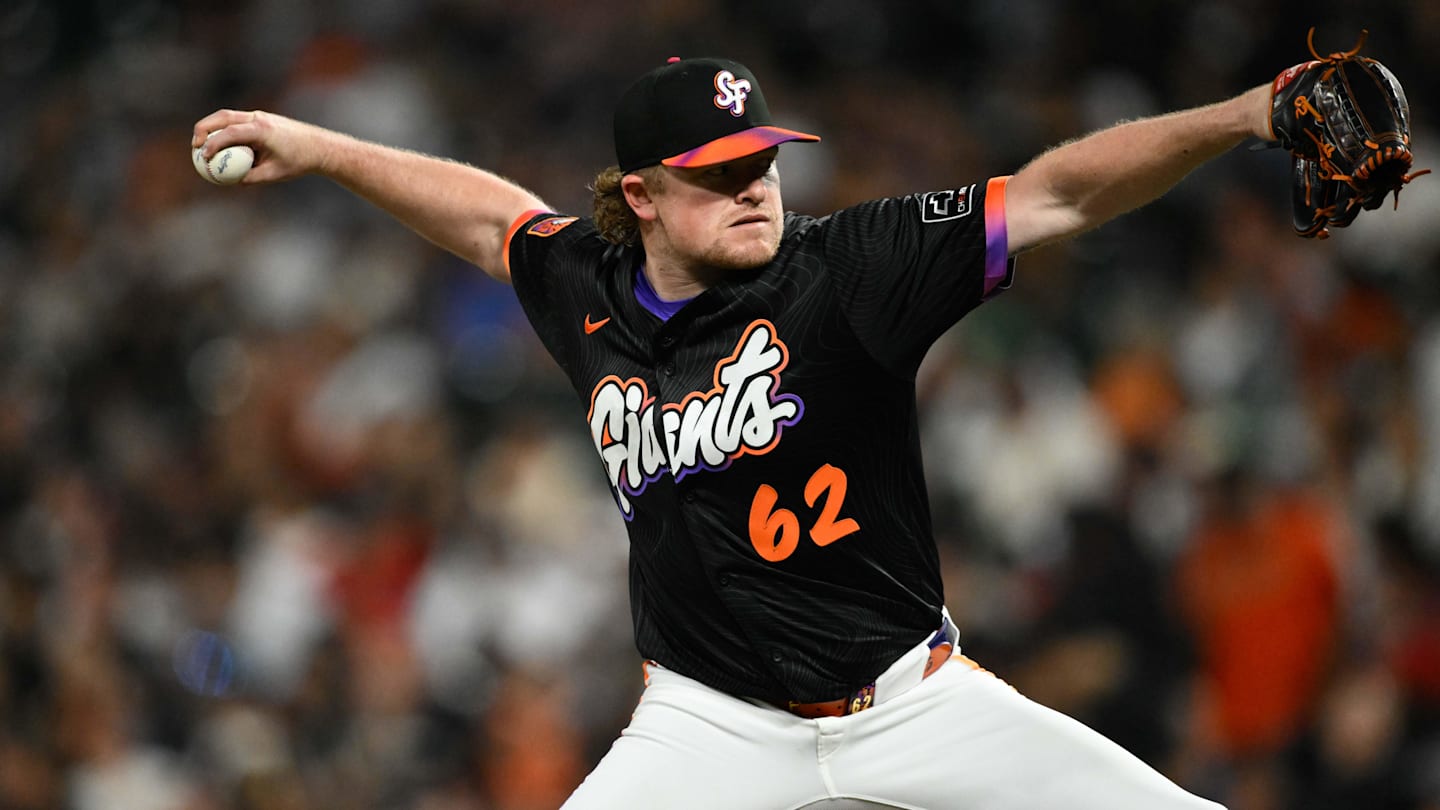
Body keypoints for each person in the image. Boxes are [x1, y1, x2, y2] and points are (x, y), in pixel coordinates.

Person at [192, 54, 1275, 809]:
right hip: (711, 721)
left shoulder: (851, 267)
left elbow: (1055, 199)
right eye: (718, 175)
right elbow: (488, 221)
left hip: (909, 696)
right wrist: (316, 147)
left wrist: (1239, 116)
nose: (754, 188)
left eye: (761, 160)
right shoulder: (585, 287)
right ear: (642, 197)